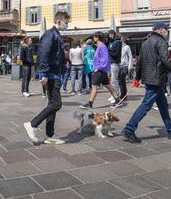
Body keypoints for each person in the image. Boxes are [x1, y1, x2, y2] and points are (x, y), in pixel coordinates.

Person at [122, 22, 171, 144]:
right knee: (146, 105)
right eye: (165, 29)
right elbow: (166, 62)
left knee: (163, 106)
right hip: (157, 79)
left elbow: (140, 62)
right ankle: (129, 128)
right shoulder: (161, 42)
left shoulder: (145, 42)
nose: (166, 31)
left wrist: (137, 78)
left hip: (149, 78)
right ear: (160, 30)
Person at [24, 11, 70, 145]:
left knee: (52, 104)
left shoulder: (56, 34)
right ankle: (32, 124)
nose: (67, 25)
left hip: (55, 74)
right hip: (51, 75)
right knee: (56, 104)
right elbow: (43, 53)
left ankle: (49, 135)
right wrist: (43, 73)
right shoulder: (51, 34)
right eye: (66, 23)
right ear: (59, 21)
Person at [81, 32, 121, 109]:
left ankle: (90, 103)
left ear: (97, 38)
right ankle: (117, 99)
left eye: (94, 37)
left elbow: (105, 59)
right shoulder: (100, 46)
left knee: (94, 86)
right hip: (102, 69)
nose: (93, 39)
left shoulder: (102, 46)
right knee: (108, 85)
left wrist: (98, 67)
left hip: (100, 69)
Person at [107, 29, 122, 95]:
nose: (108, 36)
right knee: (113, 80)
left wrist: (108, 51)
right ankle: (114, 95)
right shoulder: (113, 41)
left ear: (112, 34)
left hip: (115, 63)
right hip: (113, 63)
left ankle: (116, 95)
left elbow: (115, 53)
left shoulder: (117, 42)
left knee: (114, 80)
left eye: (109, 35)